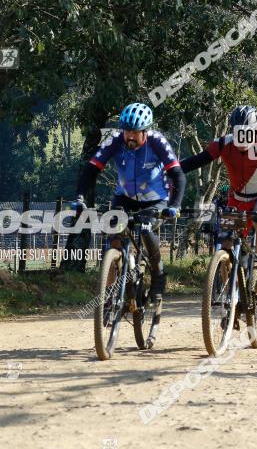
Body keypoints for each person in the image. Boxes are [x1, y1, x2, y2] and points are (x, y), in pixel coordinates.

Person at [74, 102, 186, 305]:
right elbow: (91, 169)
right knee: (114, 236)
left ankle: (158, 274)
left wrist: (175, 205)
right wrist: (80, 198)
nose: (130, 136)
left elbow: (177, 174)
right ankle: (108, 295)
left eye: (135, 132)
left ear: (145, 131)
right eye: (127, 131)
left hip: (155, 200)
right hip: (124, 197)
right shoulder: (114, 141)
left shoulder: (157, 142)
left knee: (145, 228)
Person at [180, 105, 257, 295]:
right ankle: (231, 296)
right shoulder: (221, 144)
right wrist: (167, 170)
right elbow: (194, 162)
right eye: (237, 132)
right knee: (225, 240)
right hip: (237, 198)